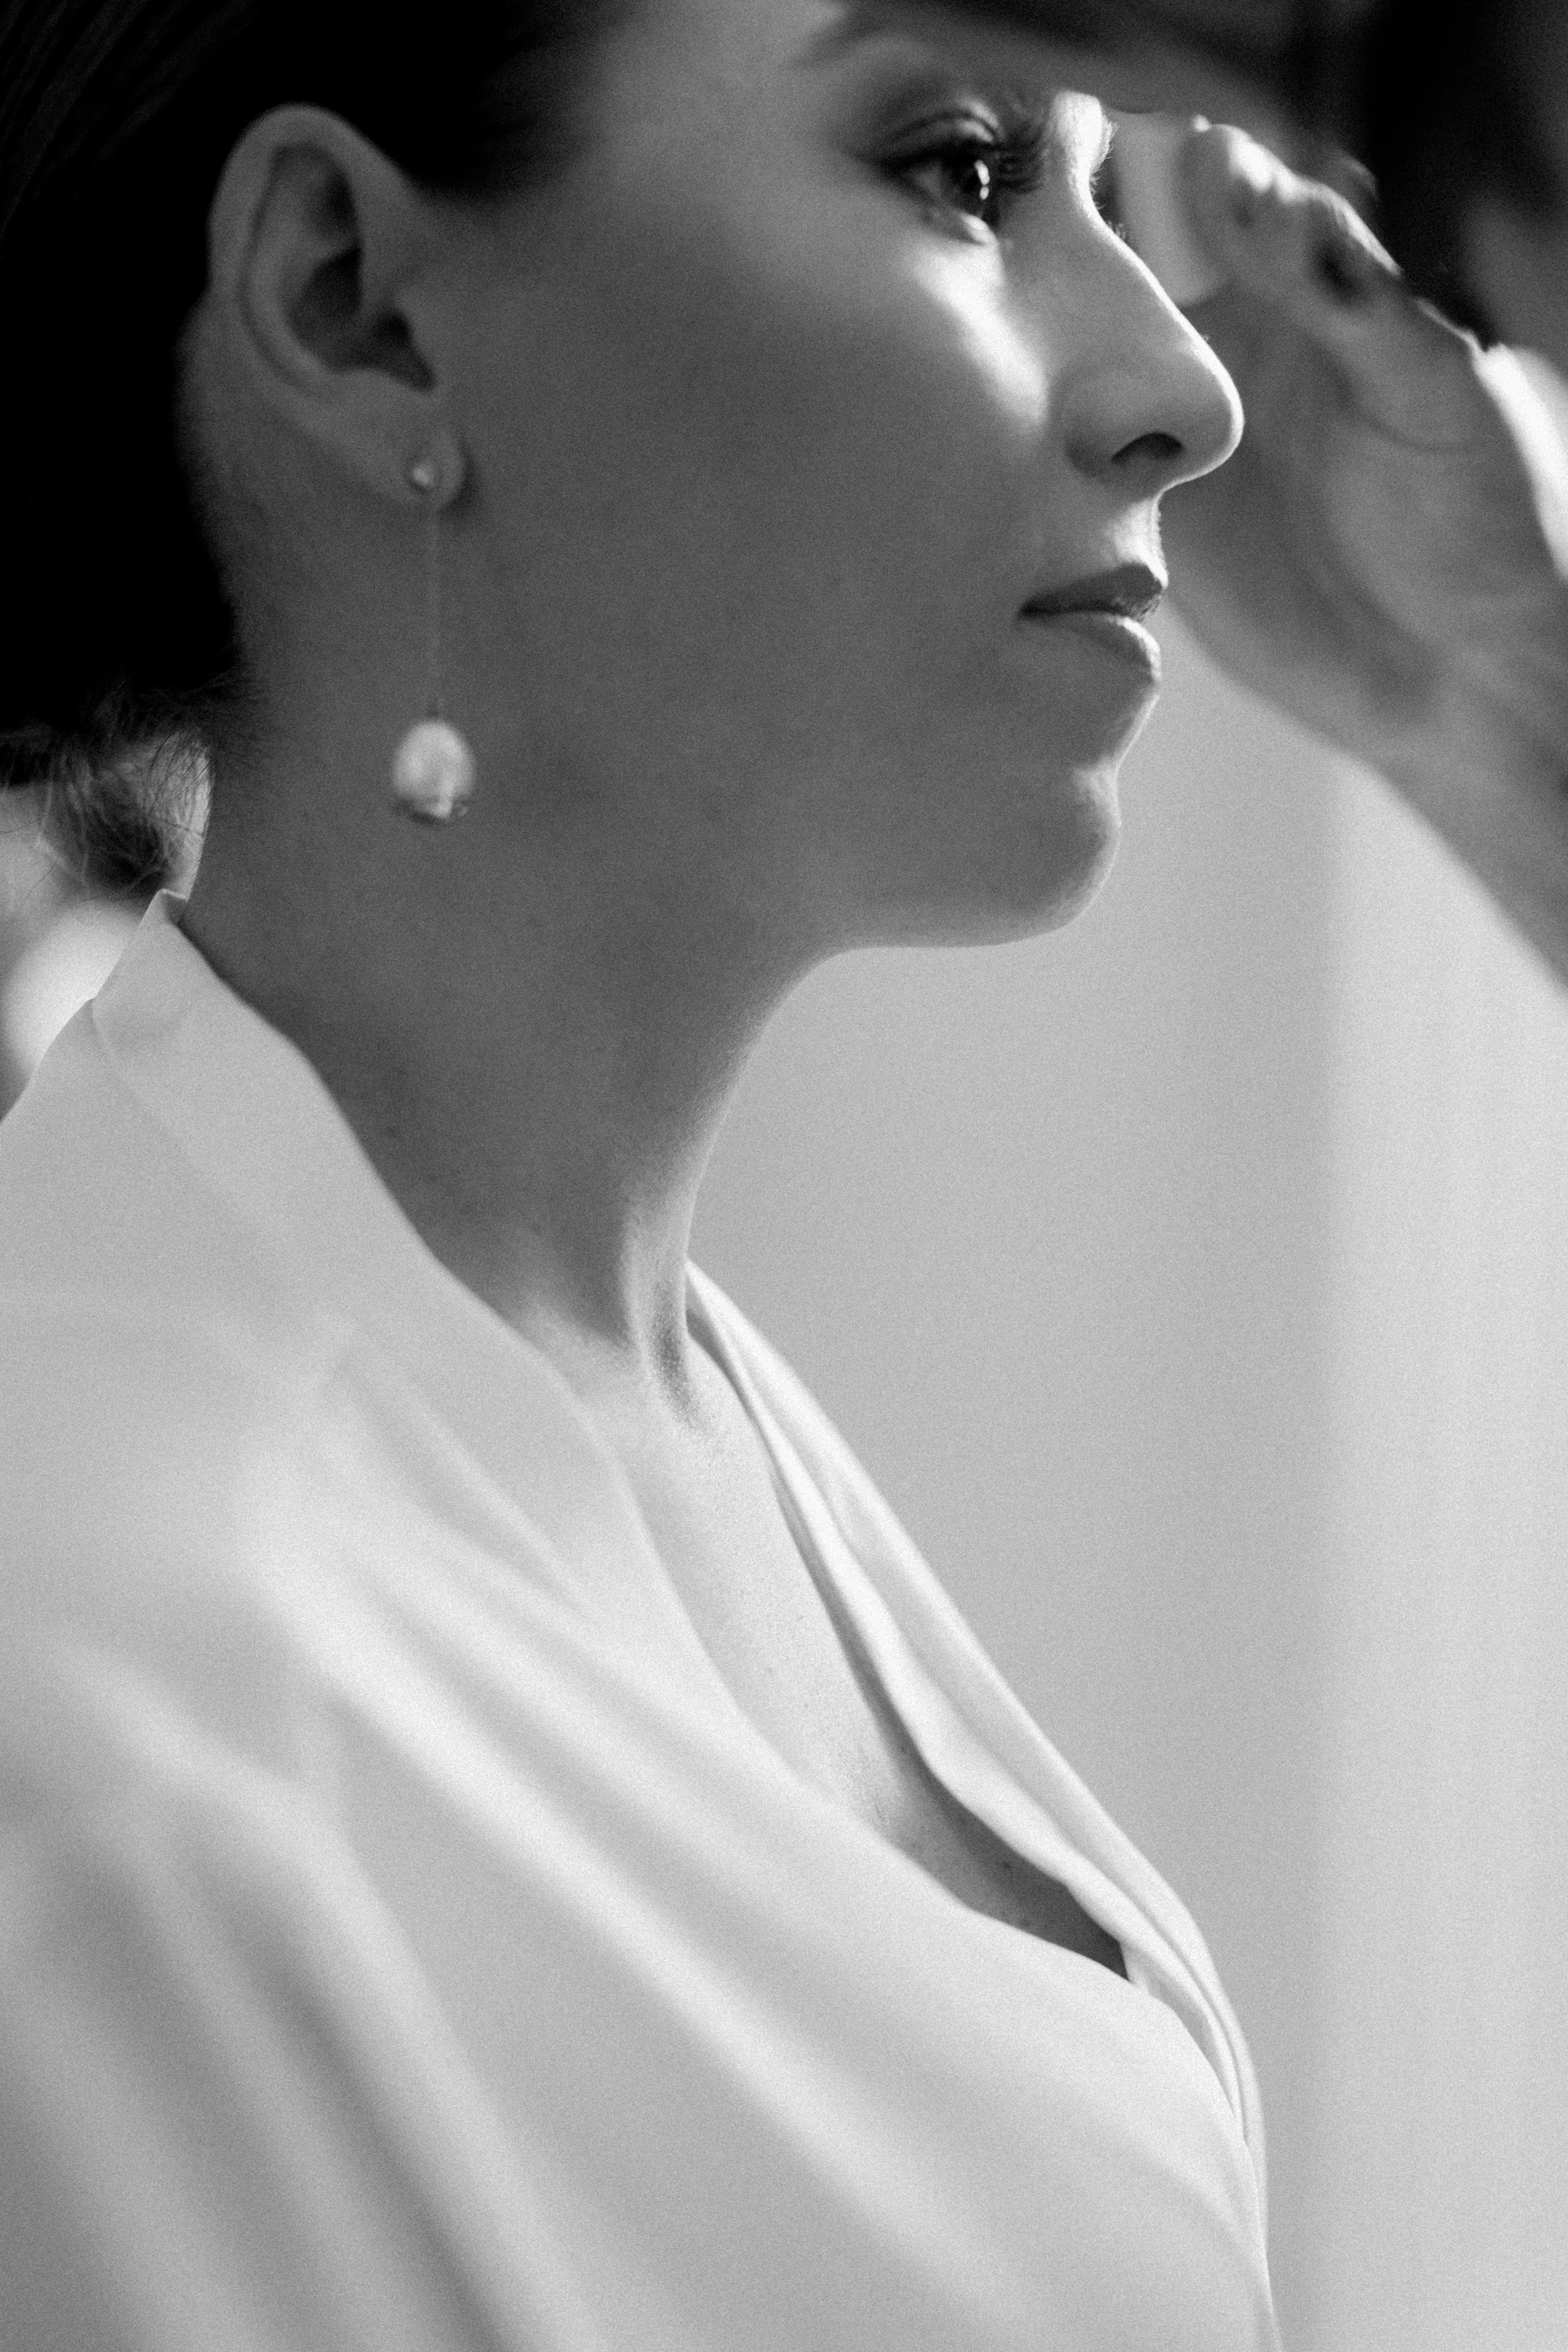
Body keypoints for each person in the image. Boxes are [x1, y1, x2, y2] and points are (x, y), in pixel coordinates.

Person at [0, 6, 1561, 2352]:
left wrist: (1490, 713)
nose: (1186, 388)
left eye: (1104, 181)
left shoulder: (607, 1374)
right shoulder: (123, 1751)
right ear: (353, 297)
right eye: (956, 169)